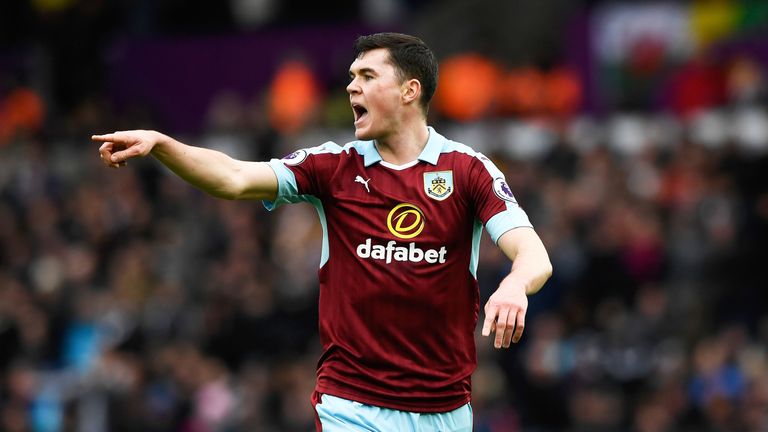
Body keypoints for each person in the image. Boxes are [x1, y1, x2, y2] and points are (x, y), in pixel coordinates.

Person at [94, 32, 552, 432]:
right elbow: (233, 177)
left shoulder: (467, 170)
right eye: (352, 76)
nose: (352, 85)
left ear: (410, 90)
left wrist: (514, 284)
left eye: (368, 76)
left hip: (446, 408)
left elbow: (533, 254)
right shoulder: (332, 167)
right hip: (351, 404)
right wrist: (164, 145)